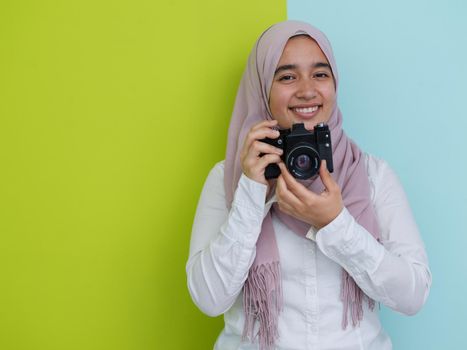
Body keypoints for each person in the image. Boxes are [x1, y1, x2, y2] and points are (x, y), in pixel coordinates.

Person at [186, 20, 431, 350]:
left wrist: (335, 223)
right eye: (286, 76)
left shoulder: (372, 175)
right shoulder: (228, 177)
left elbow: (413, 295)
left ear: (334, 84)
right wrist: (251, 190)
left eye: (320, 74)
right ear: (262, 88)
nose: (307, 90)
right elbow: (209, 298)